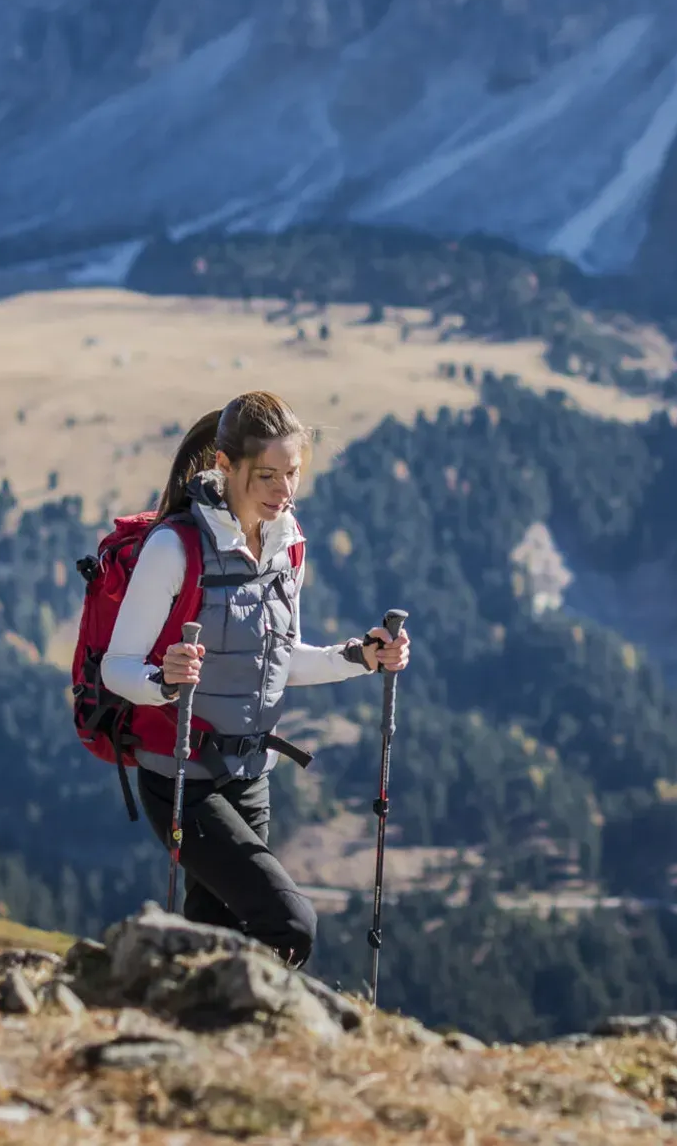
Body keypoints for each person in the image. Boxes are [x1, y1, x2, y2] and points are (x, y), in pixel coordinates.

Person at [102, 390, 409, 967]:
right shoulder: (175, 547)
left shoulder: (285, 545)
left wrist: (359, 657)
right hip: (181, 778)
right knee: (288, 923)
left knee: (218, 940)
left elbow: (280, 662)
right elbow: (115, 668)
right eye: (266, 475)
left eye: (292, 473)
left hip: (251, 775)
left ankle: (190, 1039)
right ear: (225, 466)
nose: (283, 491)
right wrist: (165, 681)